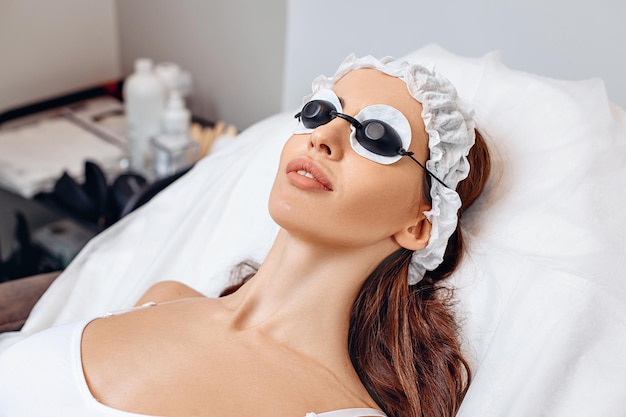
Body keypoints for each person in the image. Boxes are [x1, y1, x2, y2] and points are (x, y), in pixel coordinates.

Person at [0, 54, 491, 417]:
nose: (324, 137)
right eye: (321, 111)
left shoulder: (339, 410)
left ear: (419, 224)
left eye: (379, 137)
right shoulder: (163, 298)